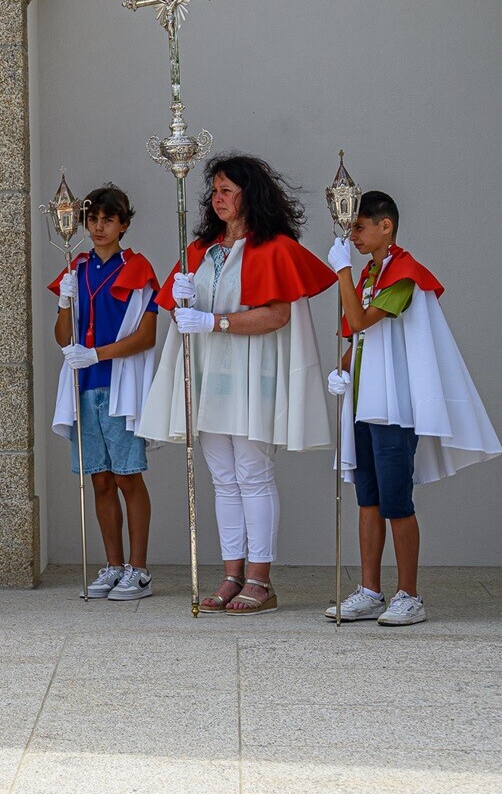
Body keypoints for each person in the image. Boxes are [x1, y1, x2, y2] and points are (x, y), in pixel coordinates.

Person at [138, 154, 335, 615]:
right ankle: (231, 575)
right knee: (223, 480)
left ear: (251, 194)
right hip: (211, 377)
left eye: (227, 190)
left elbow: (276, 314)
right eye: (216, 190)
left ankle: (260, 580)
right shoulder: (199, 252)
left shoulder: (274, 248)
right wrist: (183, 304)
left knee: (253, 474)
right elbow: (181, 315)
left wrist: (213, 319)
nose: (217, 198)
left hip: (254, 374)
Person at [324, 192, 500, 625]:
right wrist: (342, 368)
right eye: (351, 229)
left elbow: (362, 321)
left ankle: (409, 595)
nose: (354, 236)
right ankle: (369, 590)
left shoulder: (404, 274)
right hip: (365, 402)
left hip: (394, 407)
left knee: (396, 501)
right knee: (367, 498)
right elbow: (361, 340)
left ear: (386, 226)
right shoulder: (369, 274)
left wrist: (342, 270)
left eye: (360, 227)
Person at [47, 185, 159, 601]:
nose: (98, 227)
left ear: (123, 224)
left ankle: (140, 569)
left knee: (129, 477)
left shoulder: (139, 268)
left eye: (108, 219)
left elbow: (146, 336)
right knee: (100, 479)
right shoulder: (74, 269)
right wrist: (63, 302)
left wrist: (97, 353)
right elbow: (63, 338)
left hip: (118, 382)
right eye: (92, 219)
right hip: (84, 386)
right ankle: (113, 565)